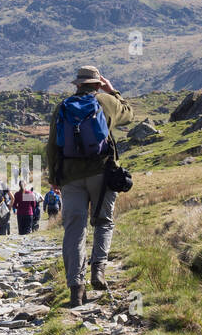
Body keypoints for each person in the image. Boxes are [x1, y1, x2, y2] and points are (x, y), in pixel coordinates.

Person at [44, 65, 134, 306]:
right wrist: (112, 91)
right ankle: (98, 270)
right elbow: (129, 114)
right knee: (103, 221)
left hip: (71, 177)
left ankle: (76, 288)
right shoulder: (106, 101)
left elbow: (52, 146)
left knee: (74, 228)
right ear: (97, 83)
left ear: (77, 84)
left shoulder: (63, 107)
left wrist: (54, 177)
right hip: (102, 175)